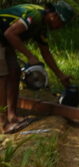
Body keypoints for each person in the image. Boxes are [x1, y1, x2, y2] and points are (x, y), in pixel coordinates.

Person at [0, 1, 73, 134]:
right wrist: (30, 56)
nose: (60, 27)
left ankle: (12, 116)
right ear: (55, 16)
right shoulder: (36, 15)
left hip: (4, 39)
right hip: (3, 36)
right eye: (62, 24)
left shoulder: (42, 27)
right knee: (2, 76)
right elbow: (10, 34)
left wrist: (60, 75)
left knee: (15, 72)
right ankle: (3, 123)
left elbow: (46, 53)